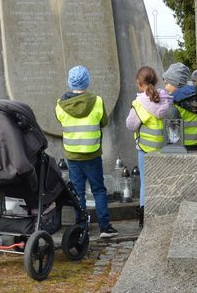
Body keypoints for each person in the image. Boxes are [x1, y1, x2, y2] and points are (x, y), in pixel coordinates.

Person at [55, 65, 119, 240]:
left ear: (70, 82)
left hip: (73, 155)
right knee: (98, 190)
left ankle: (81, 225)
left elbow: (59, 119)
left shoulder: (61, 105)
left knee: (78, 191)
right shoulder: (97, 101)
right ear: (87, 81)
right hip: (92, 154)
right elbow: (104, 121)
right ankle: (105, 227)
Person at [125, 66, 175, 228]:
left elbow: (131, 125)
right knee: (164, 181)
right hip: (165, 148)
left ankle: (144, 215)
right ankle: (165, 213)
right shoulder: (167, 98)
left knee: (145, 184)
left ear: (139, 83)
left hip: (146, 149)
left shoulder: (139, 103)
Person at [162, 63, 197, 151]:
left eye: (167, 84)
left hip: (183, 145)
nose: (166, 87)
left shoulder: (174, 101)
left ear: (176, 83)